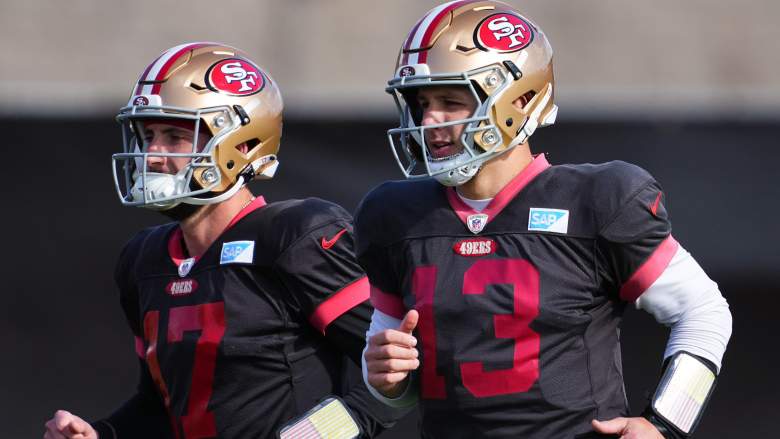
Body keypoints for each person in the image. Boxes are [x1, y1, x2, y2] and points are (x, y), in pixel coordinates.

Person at [357, 1, 732, 438]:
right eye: (422, 102)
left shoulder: (596, 200)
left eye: (451, 101)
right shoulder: (396, 215)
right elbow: (394, 385)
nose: (429, 120)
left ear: (519, 99)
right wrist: (386, 379)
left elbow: (703, 312)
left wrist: (665, 423)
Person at [44, 42, 405, 439]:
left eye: (174, 136)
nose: (151, 155)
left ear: (243, 144)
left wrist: (312, 435)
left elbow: (398, 377)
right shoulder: (144, 260)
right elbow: (161, 406)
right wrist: (103, 434)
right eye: (147, 135)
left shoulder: (294, 237)